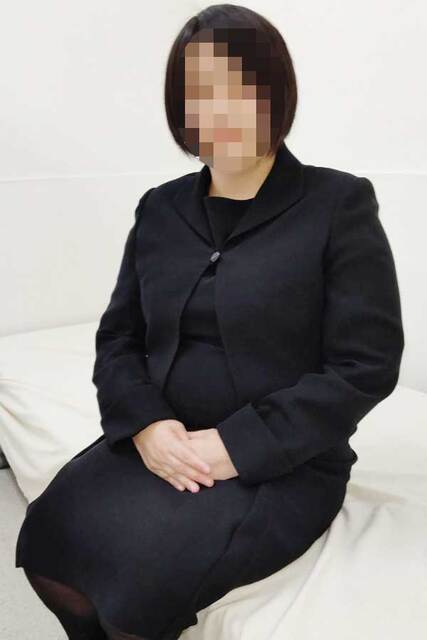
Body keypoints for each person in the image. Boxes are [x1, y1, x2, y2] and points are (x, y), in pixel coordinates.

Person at [15, 4, 405, 640]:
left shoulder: (338, 203)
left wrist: (235, 447)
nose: (220, 109)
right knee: (50, 539)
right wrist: (146, 425)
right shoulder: (160, 209)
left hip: (282, 460)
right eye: (201, 92)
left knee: (142, 584)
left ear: (276, 94)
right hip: (163, 442)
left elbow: (366, 365)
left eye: (241, 87)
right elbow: (119, 338)